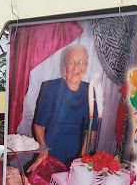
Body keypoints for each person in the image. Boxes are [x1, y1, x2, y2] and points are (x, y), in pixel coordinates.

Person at [28, 44, 96, 172]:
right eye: (72, 62)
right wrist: (43, 150)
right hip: (51, 148)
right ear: (65, 66)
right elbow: (39, 126)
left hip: (78, 150)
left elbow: (92, 130)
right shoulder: (50, 87)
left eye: (81, 62)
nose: (76, 67)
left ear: (86, 67)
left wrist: (82, 156)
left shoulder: (90, 91)